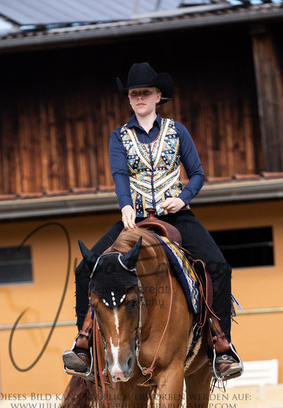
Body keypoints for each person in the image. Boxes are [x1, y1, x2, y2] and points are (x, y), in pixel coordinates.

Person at [62, 62, 242, 380]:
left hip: (176, 215)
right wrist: (125, 206)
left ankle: (221, 345)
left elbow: (198, 174)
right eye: (134, 94)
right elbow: (120, 175)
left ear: (158, 96)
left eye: (145, 92)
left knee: (218, 266)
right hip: (135, 218)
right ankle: (84, 345)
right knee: (84, 270)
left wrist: (183, 198)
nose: (140, 98)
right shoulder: (119, 136)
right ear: (129, 98)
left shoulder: (177, 130)